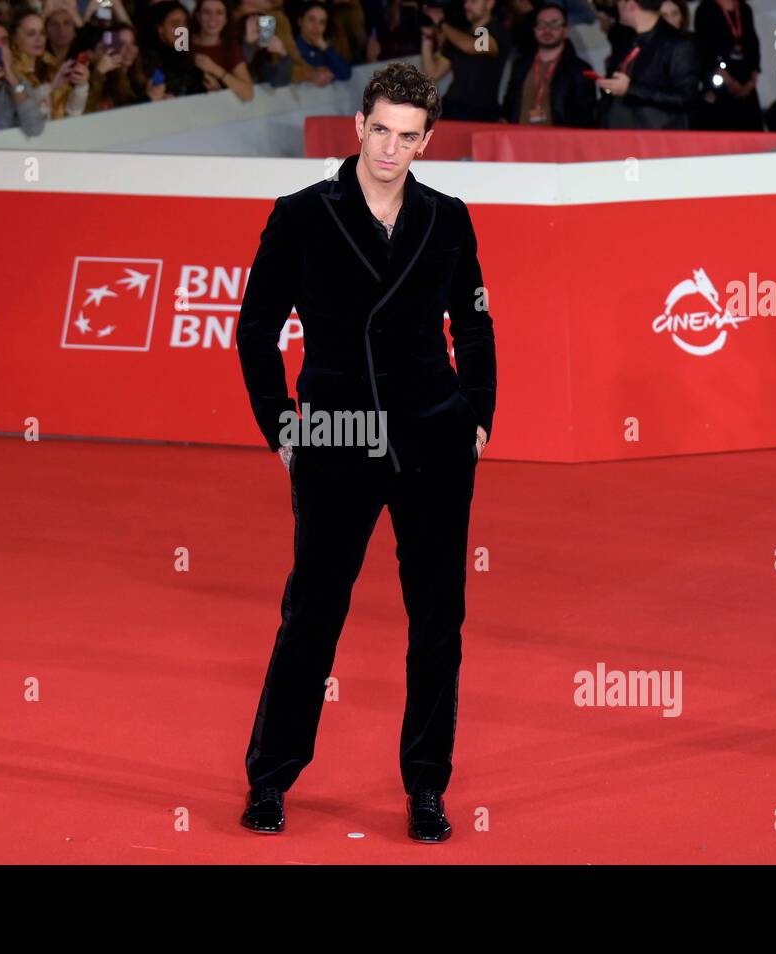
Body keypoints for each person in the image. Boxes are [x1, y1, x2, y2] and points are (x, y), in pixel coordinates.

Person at [236, 61, 496, 843]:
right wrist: (283, 427)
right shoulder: (301, 215)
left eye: (407, 137)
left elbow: (474, 323)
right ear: (358, 126)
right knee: (312, 615)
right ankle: (270, 778)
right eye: (379, 130)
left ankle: (426, 787)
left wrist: (477, 416)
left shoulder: (448, 219)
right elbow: (255, 330)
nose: (390, 148)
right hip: (335, 441)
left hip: (433, 438)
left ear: (426, 141)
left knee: (437, 622)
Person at [596, 0, 700, 129]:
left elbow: (685, 98)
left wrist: (630, 89)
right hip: (615, 131)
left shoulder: (678, 45)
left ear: (631, 6)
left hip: (655, 136)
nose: (617, 7)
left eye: (620, 2)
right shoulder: (624, 37)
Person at [502, 0, 597, 126]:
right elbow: (508, 107)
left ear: (565, 30)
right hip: (519, 141)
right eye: (542, 24)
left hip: (559, 143)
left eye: (555, 24)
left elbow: (586, 120)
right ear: (534, 30)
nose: (547, 30)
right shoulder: (520, 66)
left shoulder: (580, 71)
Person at [421, 0, 511, 121]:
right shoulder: (458, 36)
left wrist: (441, 23)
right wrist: (427, 38)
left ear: (490, 3)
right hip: (451, 108)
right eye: (466, 1)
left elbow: (471, 46)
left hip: (481, 113)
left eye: (473, 1)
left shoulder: (498, 32)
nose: (466, 5)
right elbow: (432, 73)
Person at [693, 0, 762, 130]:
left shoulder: (744, 9)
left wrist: (752, 80)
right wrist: (730, 82)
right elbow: (705, 50)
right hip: (720, 86)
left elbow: (753, 45)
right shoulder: (705, 9)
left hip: (746, 84)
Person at [191, 0, 254, 100]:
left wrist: (214, 69)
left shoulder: (231, 48)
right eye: (207, 12)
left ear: (226, 19)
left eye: (219, 13)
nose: (213, 18)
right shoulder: (184, 42)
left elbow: (248, 94)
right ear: (198, 16)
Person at [291, 0, 351, 83]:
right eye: (311, 20)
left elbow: (345, 74)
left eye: (322, 23)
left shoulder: (324, 48)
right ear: (300, 21)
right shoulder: (291, 47)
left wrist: (326, 48)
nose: (316, 27)